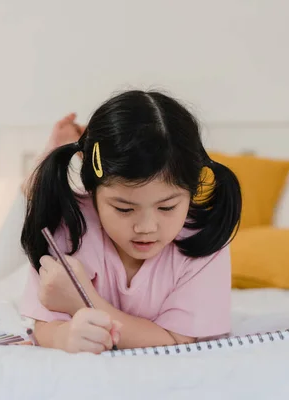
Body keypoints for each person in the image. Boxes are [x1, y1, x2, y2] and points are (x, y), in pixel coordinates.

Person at [19, 90, 242, 354]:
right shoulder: (70, 224)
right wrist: (62, 337)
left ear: (192, 192)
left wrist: (82, 302)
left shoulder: (205, 238)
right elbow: (44, 324)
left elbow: (176, 342)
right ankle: (34, 176)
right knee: (31, 198)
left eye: (167, 207)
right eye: (124, 208)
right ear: (93, 191)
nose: (146, 227)